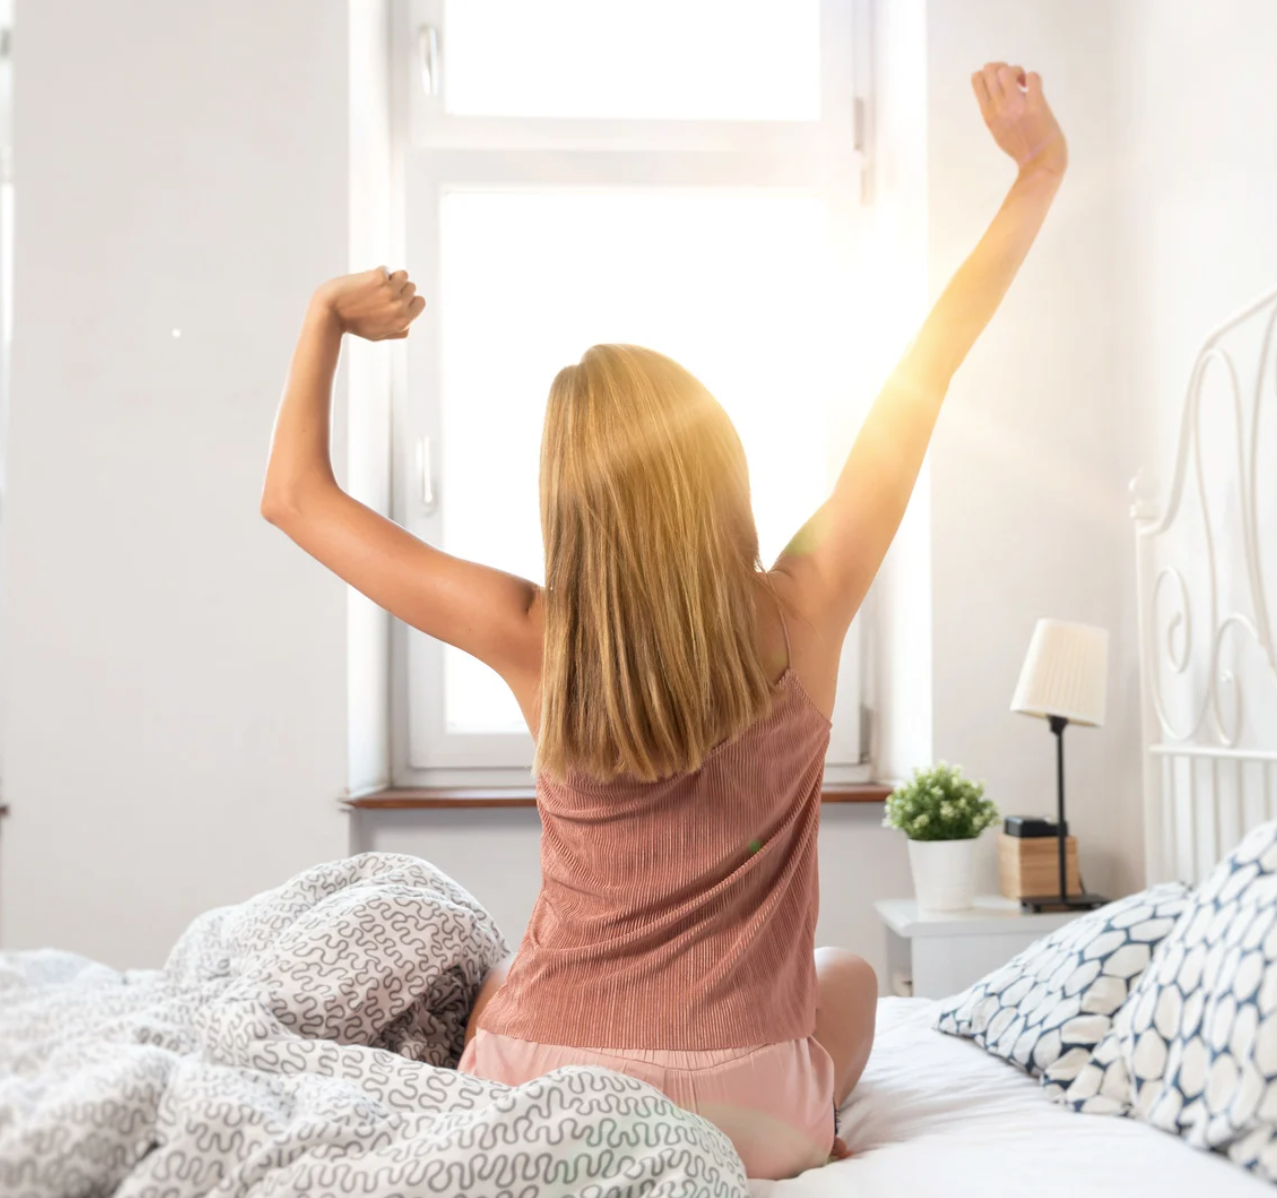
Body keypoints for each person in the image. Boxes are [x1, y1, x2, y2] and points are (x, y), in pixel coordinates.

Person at [261, 62, 1066, 1180]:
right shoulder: (807, 603)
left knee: (502, 981)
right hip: (756, 1108)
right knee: (849, 976)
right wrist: (1038, 169)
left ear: (568, 505)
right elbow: (923, 371)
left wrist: (322, 322)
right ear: (717, 466)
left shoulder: (530, 631)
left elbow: (293, 498)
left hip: (541, 1084)